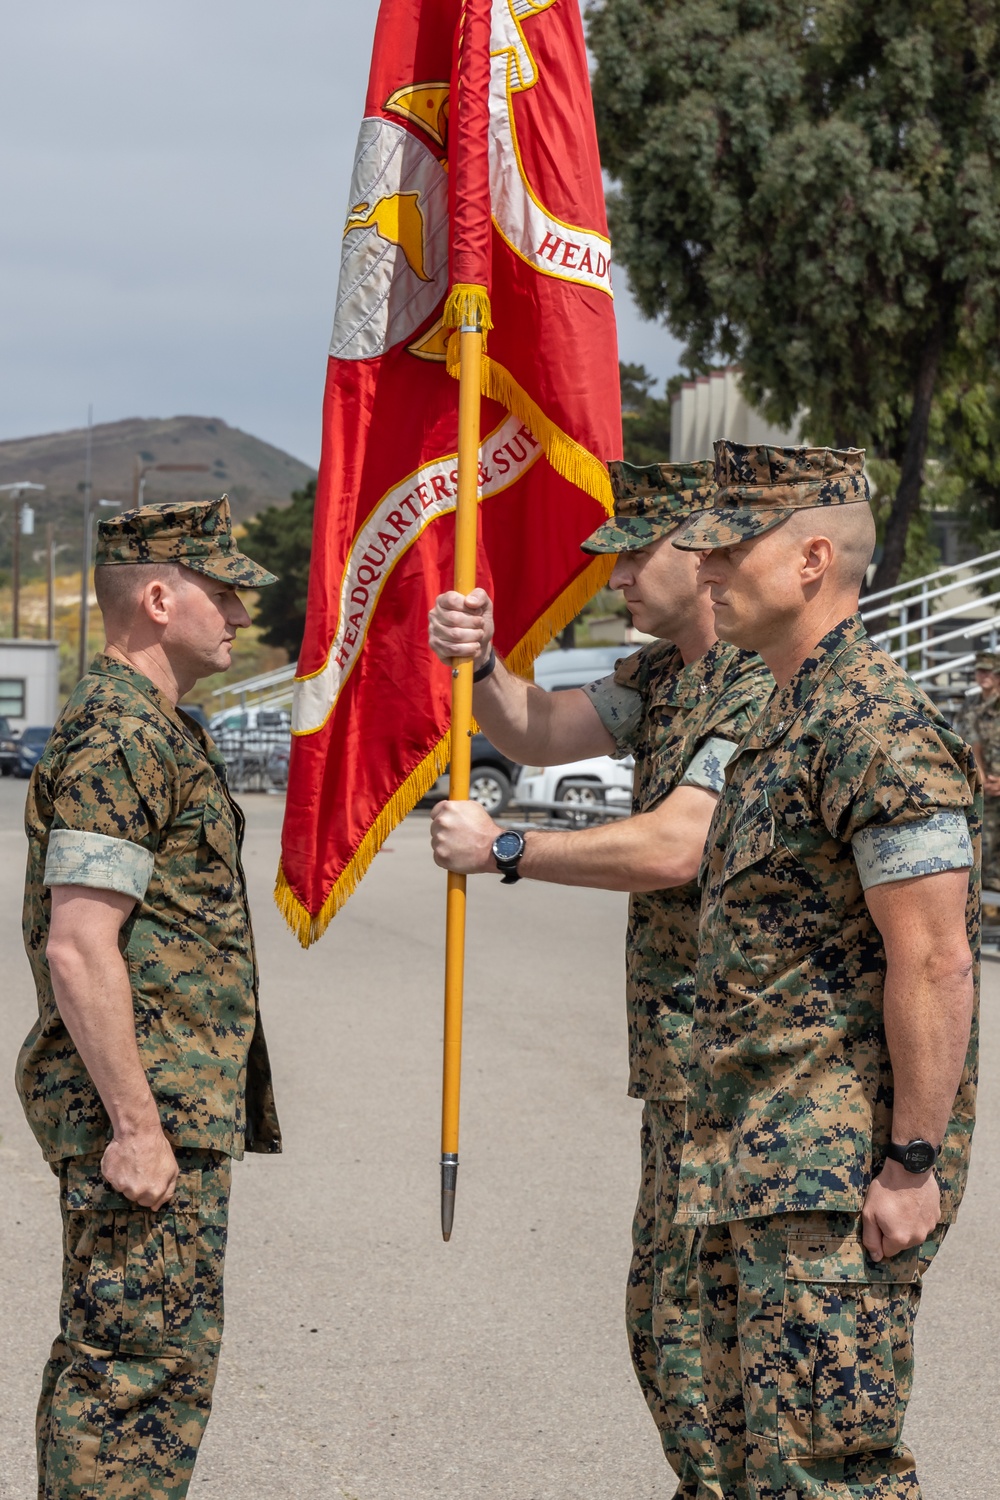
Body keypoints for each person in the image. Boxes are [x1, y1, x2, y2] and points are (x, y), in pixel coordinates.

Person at [428, 460, 774, 1498]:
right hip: (685, 1060)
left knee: (712, 1324)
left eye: (635, 555)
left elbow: (678, 846)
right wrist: (484, 662)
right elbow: (533, 732)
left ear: (701, 555)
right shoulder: (662, 675)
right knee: (670, 1318)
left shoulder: (755, 677)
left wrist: (507, 850)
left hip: (747, 1066)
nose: (615, 576)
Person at [669, 443, 979, 1500]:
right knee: (738, 1463)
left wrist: (912, 1162)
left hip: (832, 1173)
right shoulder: (780, 720)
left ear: (810, 561)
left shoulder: (876, 728)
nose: (704, 570)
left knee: (825, 1474)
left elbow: (935, 958)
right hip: (745, 1158)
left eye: (727, 550)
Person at [16, 496, 282, 1500]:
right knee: (129, 1375)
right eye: (223, 591)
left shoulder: (161, 729)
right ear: (160, 599)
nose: (240, 612)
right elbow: (80, 947)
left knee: (157, 1373)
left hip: (174, 1107)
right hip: (142, 1116)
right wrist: (134, 1125)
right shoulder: (120, 736)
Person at [964, 650, 1000, 897]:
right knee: (983, 839)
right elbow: (967, 743)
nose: (983, 675)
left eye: (989, 671)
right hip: (983, 783)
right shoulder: (971, 707)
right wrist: (983, 778)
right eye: (980, 671)